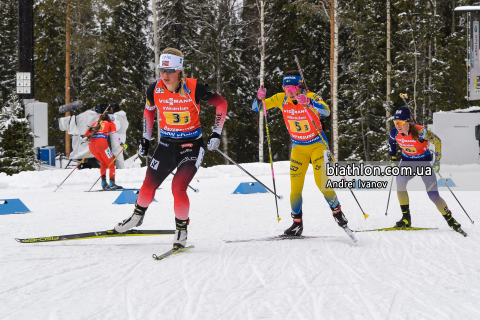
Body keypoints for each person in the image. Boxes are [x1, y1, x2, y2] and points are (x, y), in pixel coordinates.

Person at [113, 48, 228, 250]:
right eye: (162, 70)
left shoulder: (194, 88)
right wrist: (146, 139)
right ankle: (137, 217)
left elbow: (221, 104)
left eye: (170, 70)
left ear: (179, 70)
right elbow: (148, 112)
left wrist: (216, 132)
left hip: (192, 145)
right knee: (148, 185)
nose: (165, 75)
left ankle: (181, 230)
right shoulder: (154, 89)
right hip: (166, 144)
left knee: (178, 187)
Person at [253, 71, 352, 235]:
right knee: (295, 188)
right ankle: (297, 223)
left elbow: (326, 111)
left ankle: (338, 213)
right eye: (286, 87)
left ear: (300, 87)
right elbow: (256, 107)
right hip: (298, 148)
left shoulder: (312, 96)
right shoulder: (280, 99)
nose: (290, 91)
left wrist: (309, 103)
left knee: (322, 183)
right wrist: (259, 98)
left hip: (318, 145)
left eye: (293, 87)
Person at [389, 106, 465, 235]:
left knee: (433, 195)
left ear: (408, 122)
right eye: (395, 123)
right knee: (400, 182)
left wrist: (437, 160)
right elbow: (392, 144)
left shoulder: (421, 132)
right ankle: (406, 218)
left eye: (400, 123)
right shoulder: (394, 132)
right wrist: (393, 158)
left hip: (424, 163)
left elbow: (437, 141)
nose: (397, 126)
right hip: (407, 162)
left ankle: (451, 220)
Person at [85, 104, 127, 190]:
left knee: (103, 163)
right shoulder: (110, 123)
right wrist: (121, 144)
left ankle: (103, 182)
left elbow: (86, 134)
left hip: (92, 146)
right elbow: (115, 133)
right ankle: (112, 183)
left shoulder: (95, 123)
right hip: (102, 145)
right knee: (111, 163)